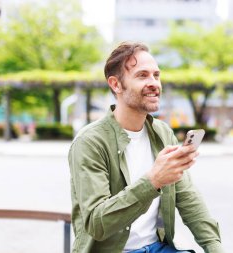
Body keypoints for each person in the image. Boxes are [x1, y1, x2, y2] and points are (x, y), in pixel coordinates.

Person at [68, 42, 224, 253]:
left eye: (156, 75)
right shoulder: (90, 142)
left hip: (158, 248)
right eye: (142, 75)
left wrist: (215, 248)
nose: (154, 83)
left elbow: (188, 198)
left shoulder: (162, 133)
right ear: (116, 84)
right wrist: (153, 181)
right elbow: (97, 224)